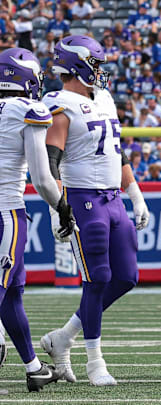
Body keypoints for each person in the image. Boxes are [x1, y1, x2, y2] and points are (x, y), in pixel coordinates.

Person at [39, 35, 150, 387]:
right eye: (96, 64)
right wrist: (58, 208)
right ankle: (94, 361)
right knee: (96, 278)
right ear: (77, 64)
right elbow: (50, 161)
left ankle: (64, 336)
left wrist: (135, 194)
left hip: (113, 198)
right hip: (83, 200)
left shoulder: (103, 97)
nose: (100, 72)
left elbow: (119, 153)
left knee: (126, 277)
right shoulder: (59, 103)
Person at [0, 48, 77, 392]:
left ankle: (34, 367)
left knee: (13, 293)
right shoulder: (26, 110)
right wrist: (62, 206)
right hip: (6, 212)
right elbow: (42, 178)